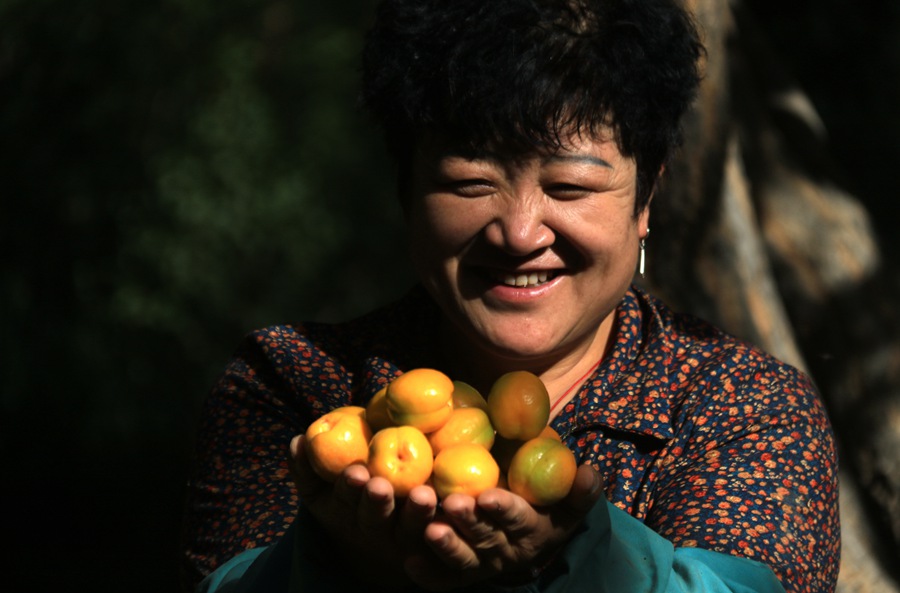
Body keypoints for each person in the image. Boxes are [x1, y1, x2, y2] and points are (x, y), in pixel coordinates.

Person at [180, 0, 840, 591]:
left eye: (571, 187)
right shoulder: (292, 383)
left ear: (646, 201)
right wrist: (339, 563)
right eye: (471, 181)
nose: (520, 232)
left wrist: (587, 561)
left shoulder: (743, 404)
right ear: (405, 190)